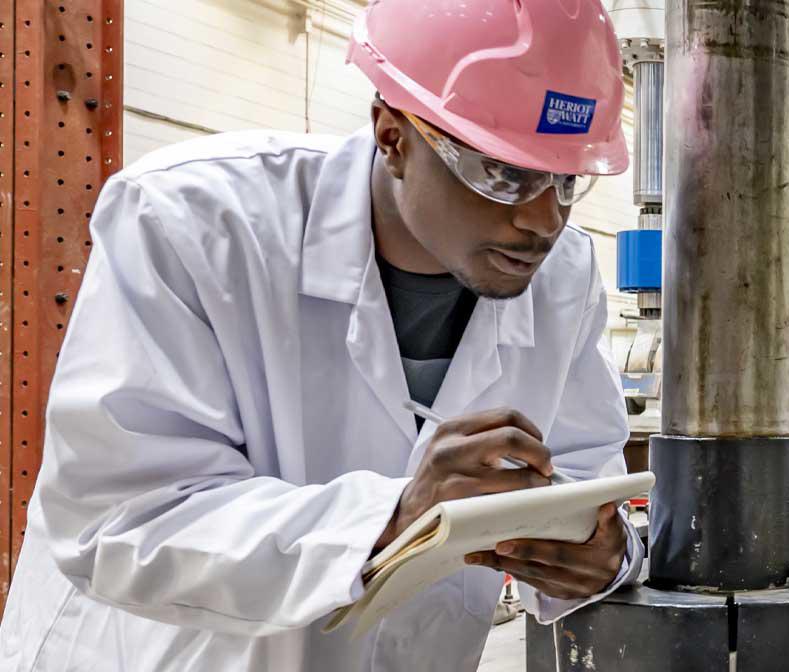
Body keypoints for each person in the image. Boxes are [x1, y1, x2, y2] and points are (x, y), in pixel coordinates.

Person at [0, 3, 641, 670]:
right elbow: (120, 523)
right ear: (392, 134)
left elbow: (586, 478)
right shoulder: (189, 223)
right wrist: (391, 518)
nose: (544, 220)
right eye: (503, 175)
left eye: (568, 180)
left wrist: (603, 555)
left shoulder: (562, 279)